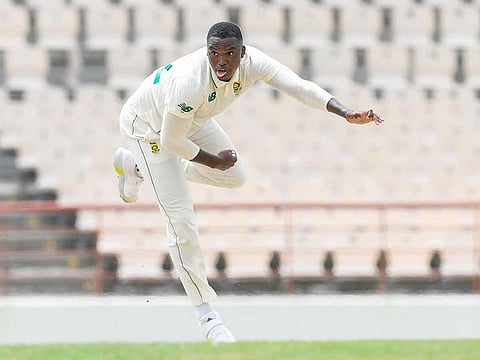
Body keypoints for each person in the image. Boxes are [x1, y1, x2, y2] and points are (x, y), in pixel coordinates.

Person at [113, 21, 384, 343]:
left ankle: (140, 169)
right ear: (207, 51)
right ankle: (208, 317)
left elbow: (297, 86)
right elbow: (172, 143)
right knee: (181, 220)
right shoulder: (190, 82)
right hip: (147, 129)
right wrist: (213, 160)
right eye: (215, 53)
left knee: (236, 176)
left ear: (242, 52)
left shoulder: (253, 62)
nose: (222, 61)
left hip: (193, 119)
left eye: (230, 53)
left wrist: (345, 112)